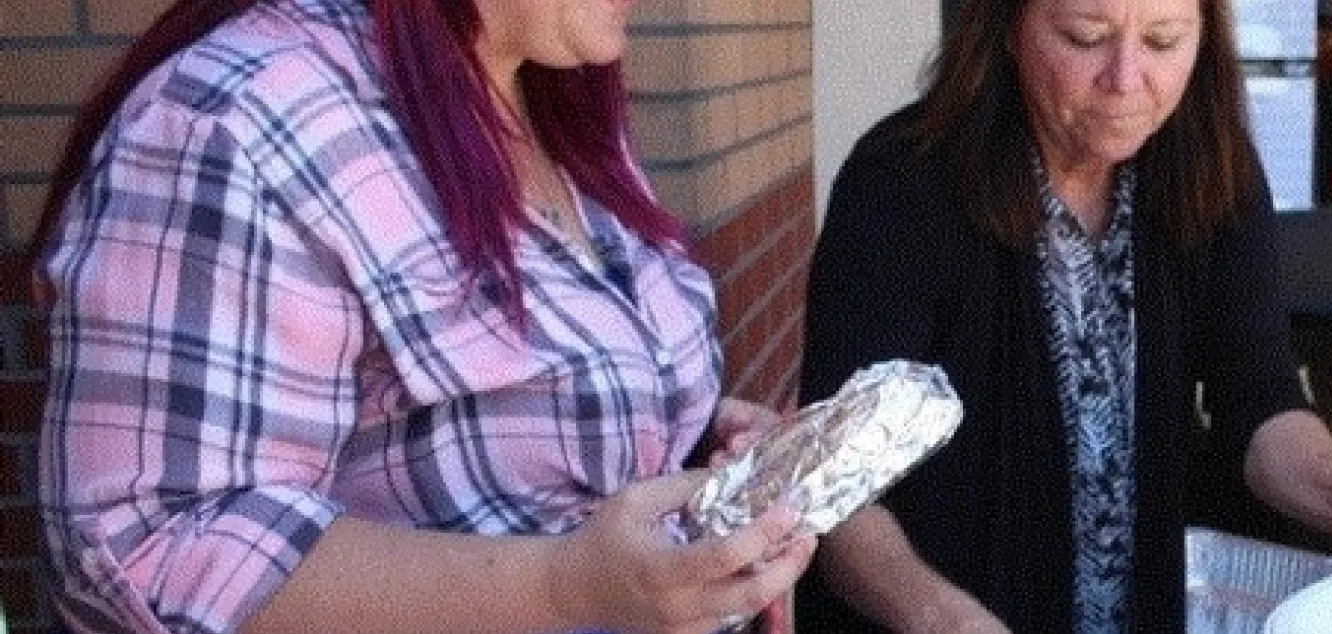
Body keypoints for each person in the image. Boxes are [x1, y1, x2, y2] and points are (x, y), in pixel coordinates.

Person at [32, 1, 816, 633]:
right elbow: (152, 550)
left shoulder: (549, 92)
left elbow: (502, 401)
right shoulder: (243, 116)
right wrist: (564, 585)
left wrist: (691, 433)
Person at [793, 0, 1332, 632]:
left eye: (1163, 40)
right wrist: (945, 620)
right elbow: (836, 491)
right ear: (1007, 26)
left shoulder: (1212, 169)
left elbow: (1261, 406)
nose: (1127, 80)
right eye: (1085, 37)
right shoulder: (902, 184)